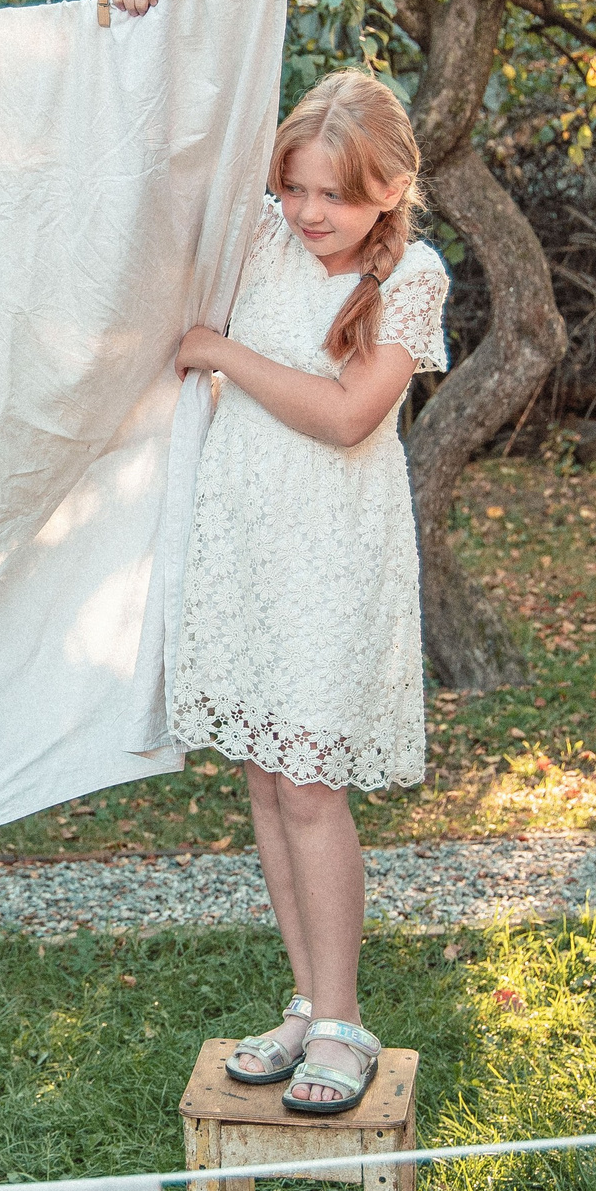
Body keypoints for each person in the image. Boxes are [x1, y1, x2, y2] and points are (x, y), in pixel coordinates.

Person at [167, 64, 451, 1114]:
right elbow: (173, 147)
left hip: (331, 552)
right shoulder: (260, 238)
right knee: (261, 777)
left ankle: (342, 1020)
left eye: (333, 193)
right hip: (249, 540)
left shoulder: (410, 275)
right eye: (294, 188)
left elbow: (345, 416)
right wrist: (159, 25)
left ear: (387, 187)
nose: (309, 212)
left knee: (308, 785)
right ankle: (302, 1003)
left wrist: (221, 355)